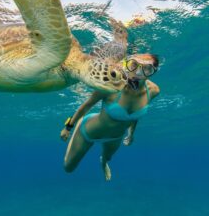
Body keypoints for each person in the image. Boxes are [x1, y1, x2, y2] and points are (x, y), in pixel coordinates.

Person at [60, 53, 160, 181]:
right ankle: (81, 124)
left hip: (116, 138)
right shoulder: (113, 84)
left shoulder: (153, 91)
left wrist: (131, 134)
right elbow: (86, 106)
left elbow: (134, 116)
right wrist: (68, 128)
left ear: (153, 71)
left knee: (107, 158)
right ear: (127, 65)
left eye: (146, 68)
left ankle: (103, 163)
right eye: (134, 65)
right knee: (68, 168)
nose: (138, 72)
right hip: (89, 131)